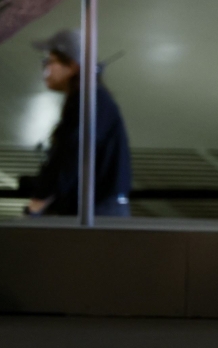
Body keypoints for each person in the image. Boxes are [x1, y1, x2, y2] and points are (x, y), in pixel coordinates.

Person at [20, 28, 133, 217]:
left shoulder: (90, 100)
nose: (45, 68)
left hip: (97, 212)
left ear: (72, 65)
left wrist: (38, 202)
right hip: (98, 208)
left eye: (50, 61)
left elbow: (72, 155)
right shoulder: (91, 99)